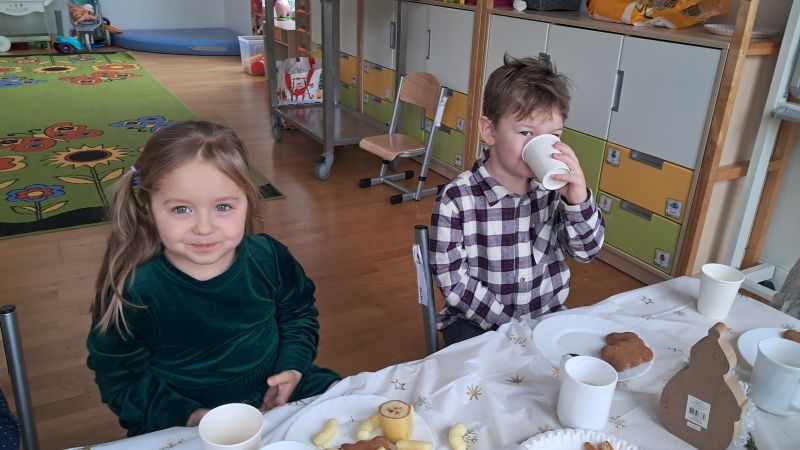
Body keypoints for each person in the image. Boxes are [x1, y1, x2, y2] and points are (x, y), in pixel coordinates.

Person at [87, 121, 340, 436]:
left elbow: (298, 314)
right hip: (182, 416)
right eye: (181, 209)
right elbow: (122, 379)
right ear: (149, 209)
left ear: (247, 201)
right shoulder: (133, 290)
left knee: (351, 408)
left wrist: (293, 368)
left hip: (280, 390)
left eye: (223, 206)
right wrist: (191, 416)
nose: (204, 228)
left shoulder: (269, 257)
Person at [430, 55, 605, 346]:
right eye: (526, 133)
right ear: (490, 131)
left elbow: (586, 252)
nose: (539, 147)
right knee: (475, 368)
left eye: (553, 136)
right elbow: (454, 282)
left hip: (545, 316)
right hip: (477, 322)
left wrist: (579, 200)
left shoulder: (554, 191)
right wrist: (511, 326)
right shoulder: (457, 199)